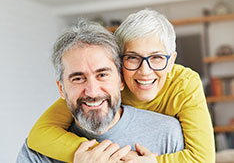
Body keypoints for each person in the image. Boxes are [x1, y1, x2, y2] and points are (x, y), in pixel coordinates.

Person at [26, 9, 215, 162]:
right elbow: (40, 134)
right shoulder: (102, 89)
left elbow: (202, 158)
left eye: (157, 58)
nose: (145, 71)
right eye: (132, 58)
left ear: (172, 60)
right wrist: (103, 156)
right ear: (118, 64)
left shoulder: (184, 85)